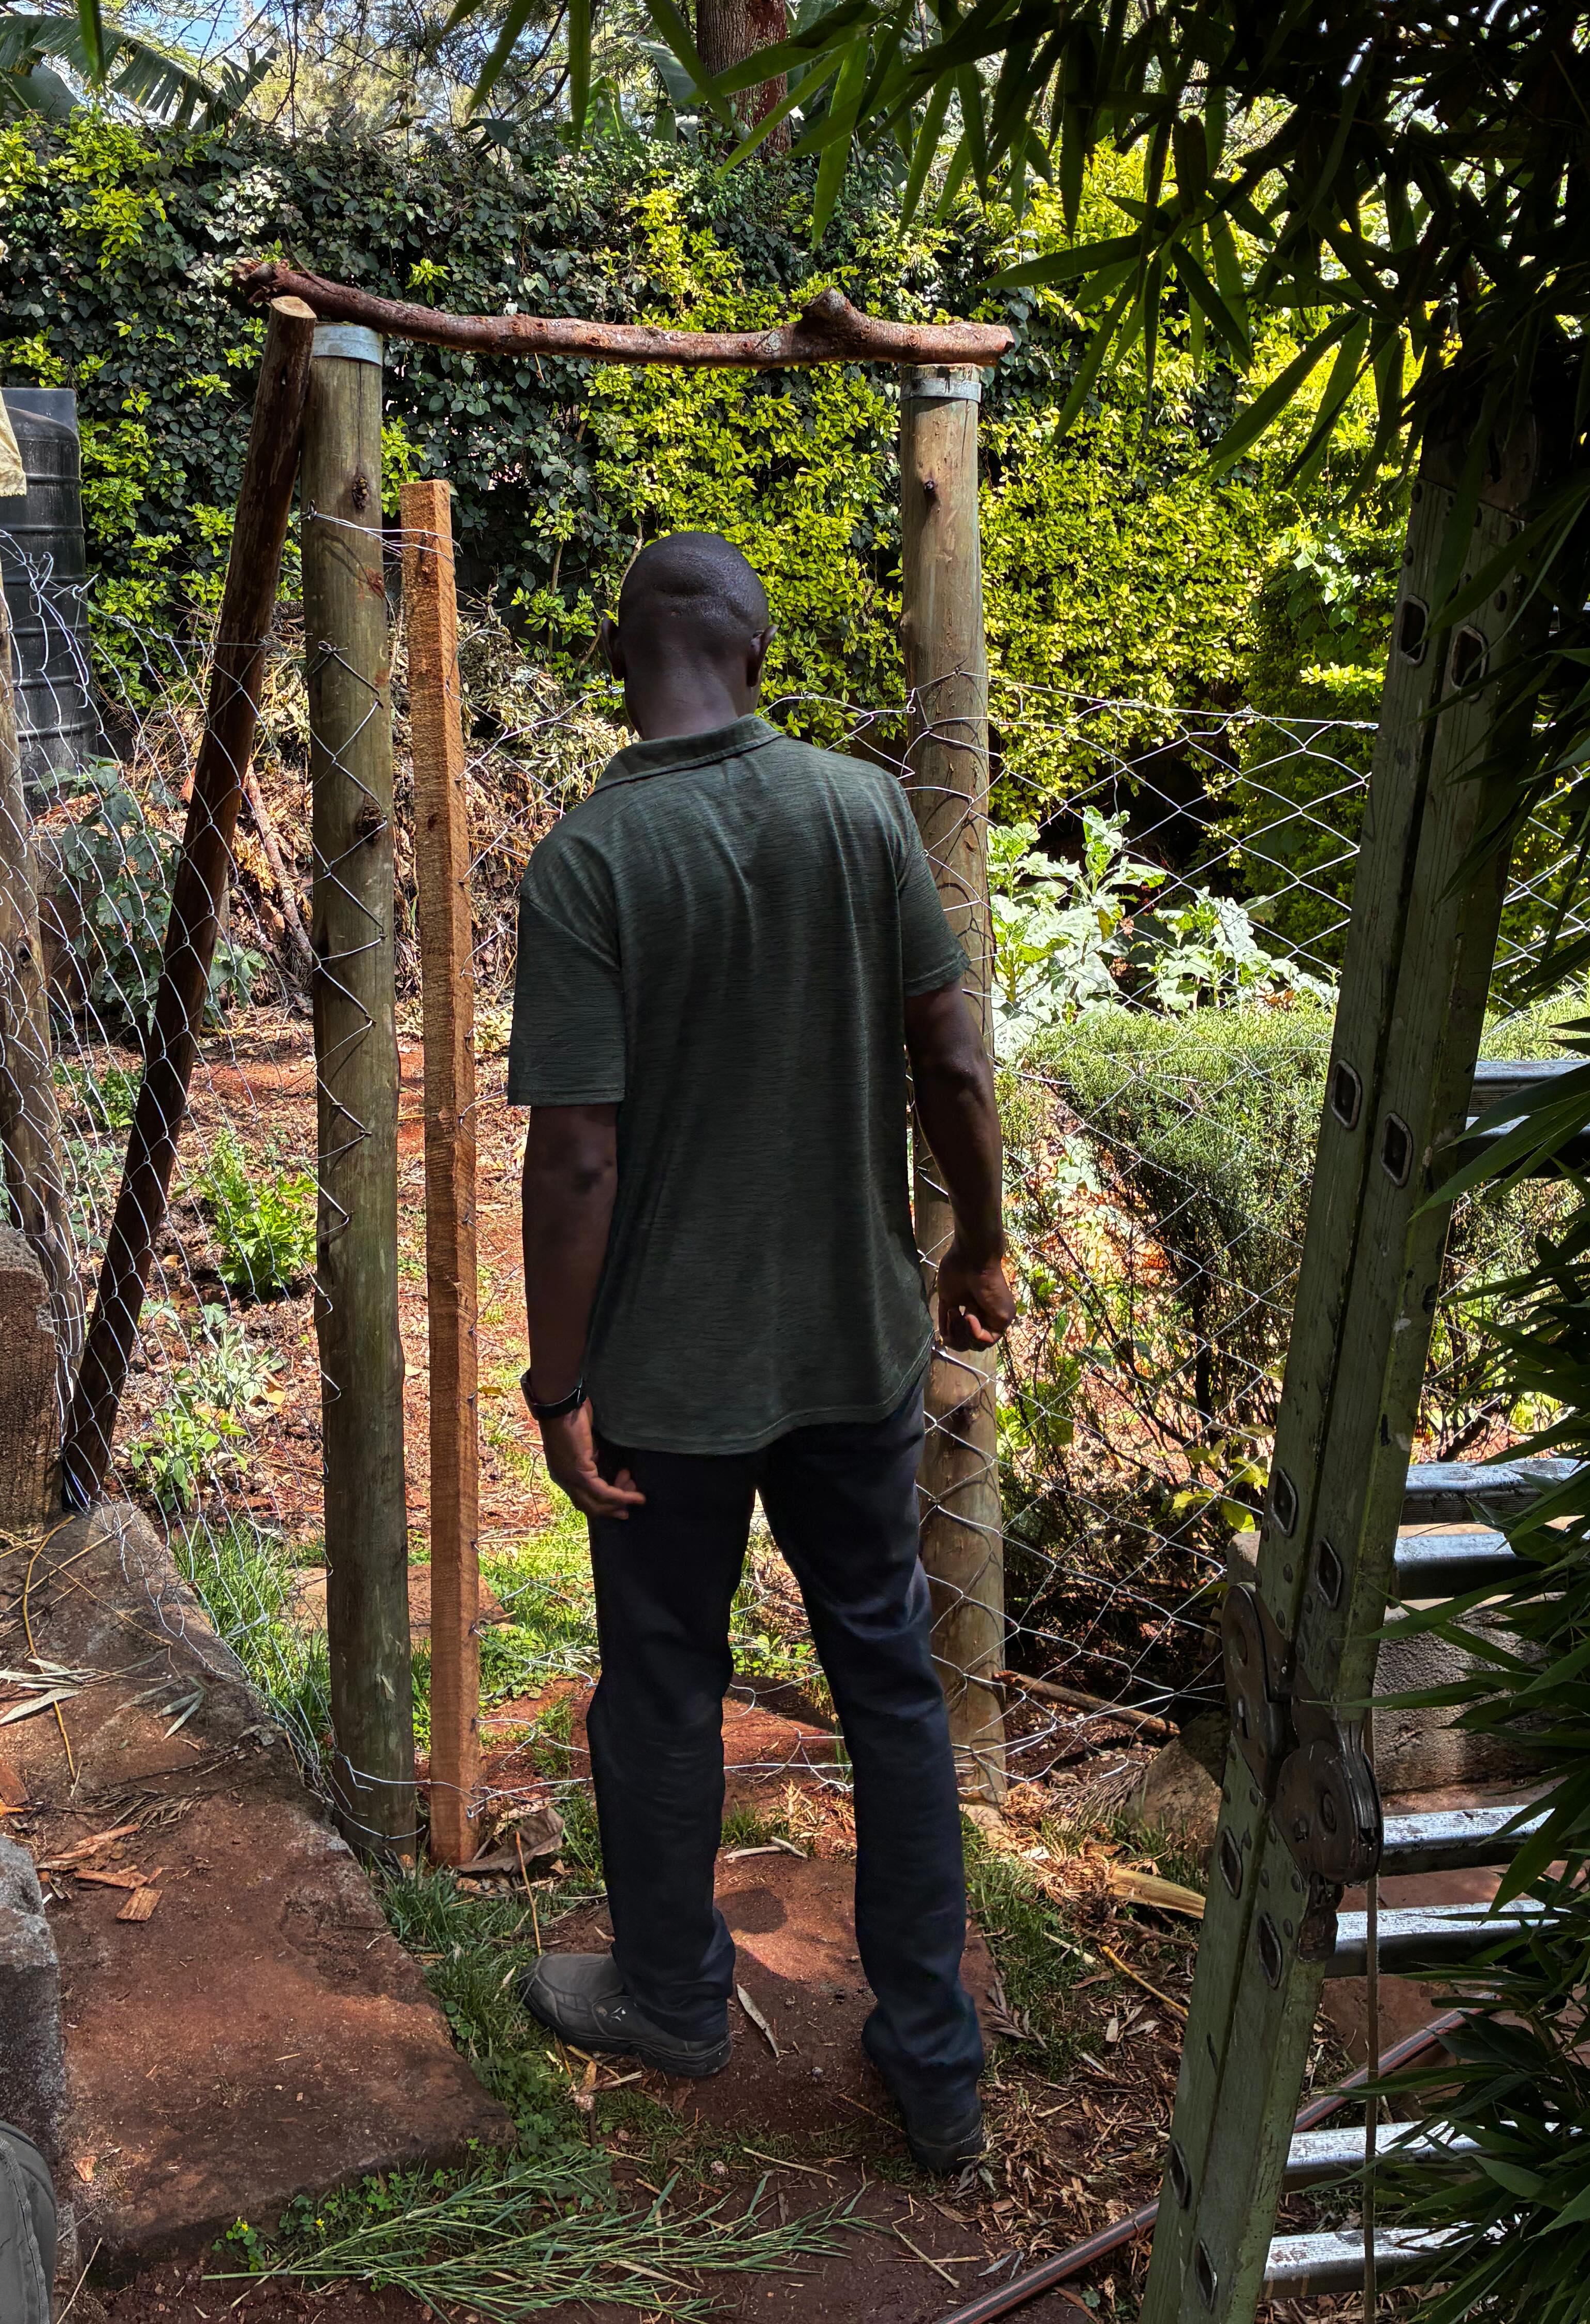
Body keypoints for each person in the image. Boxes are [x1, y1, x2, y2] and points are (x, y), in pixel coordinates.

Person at [506, 529, 1015, 2170]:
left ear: (619, 662)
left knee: (663, 1686)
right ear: (760, 646)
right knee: (890, 1684)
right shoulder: (863, 814)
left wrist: (560, 1379)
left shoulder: (589, 861)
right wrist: (983, 1237)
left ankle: (671, 2002)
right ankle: (935, 2060)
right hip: (857, 1351)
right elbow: (954, 1055)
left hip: (669, 1385)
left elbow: (577, 1155)